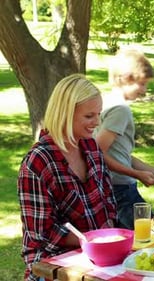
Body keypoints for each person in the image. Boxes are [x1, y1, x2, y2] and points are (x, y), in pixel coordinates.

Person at [17, 74, 117, 281]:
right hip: (53, 264)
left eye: (99, 114)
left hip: (99, 256)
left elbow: (107, 198)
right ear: (65, 114)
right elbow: (42, 233)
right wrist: (92, 240)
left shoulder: (91, 147)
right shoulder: (37, 163)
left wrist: (110, 240)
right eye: (89, 116)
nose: (97, 123)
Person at [94, 49, 154, 229]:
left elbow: (119, 154)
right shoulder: (120, 110)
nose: (145, 91)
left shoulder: (105, 103)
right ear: (125, 78)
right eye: (142, 84)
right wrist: (137, 175)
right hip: (120, 190)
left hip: (115, 188)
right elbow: (97, 152)